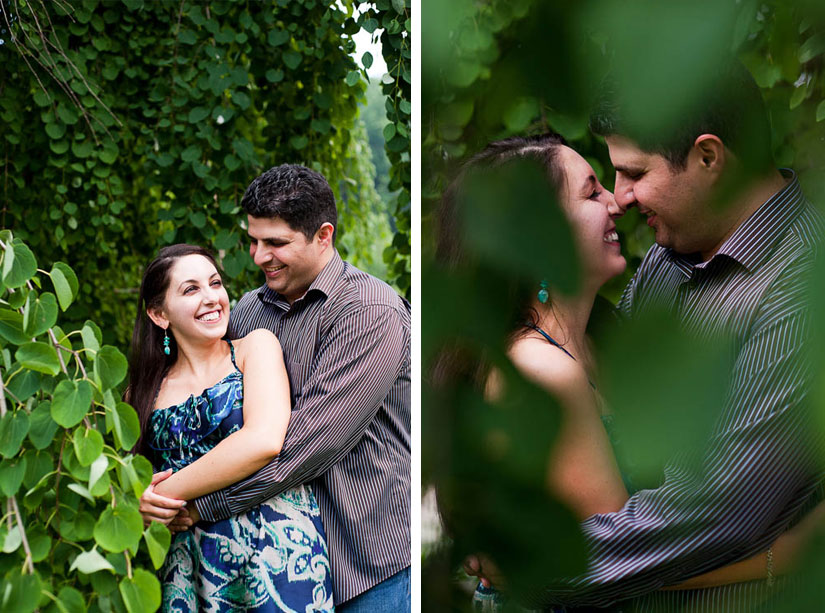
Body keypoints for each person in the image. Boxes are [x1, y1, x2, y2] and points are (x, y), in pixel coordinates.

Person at [467, 61, 825, 610]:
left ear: (709, 158)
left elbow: (722, 512)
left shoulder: (801, 282)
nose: (620, 197)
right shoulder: (668, 256)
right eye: (606, 180)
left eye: (634, 173)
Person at [139, 165, 411, 611]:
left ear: (323, 236)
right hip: (260, 560)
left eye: (276, 243)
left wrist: (198, 503)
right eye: (254, 240)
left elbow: (305, 446)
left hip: (367, 561)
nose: (259, 256)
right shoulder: (248, 310)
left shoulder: (368, 310)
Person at [128, 243, 333, 611]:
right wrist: (139, 503)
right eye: (191, 289)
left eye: (215, 283)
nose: (211, 298)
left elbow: (263, 441)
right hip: (188, 569)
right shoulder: (142, 393)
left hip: (274, 553)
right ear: (159, 314)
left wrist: (164, 496)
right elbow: (129, 479)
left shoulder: (255, 349)